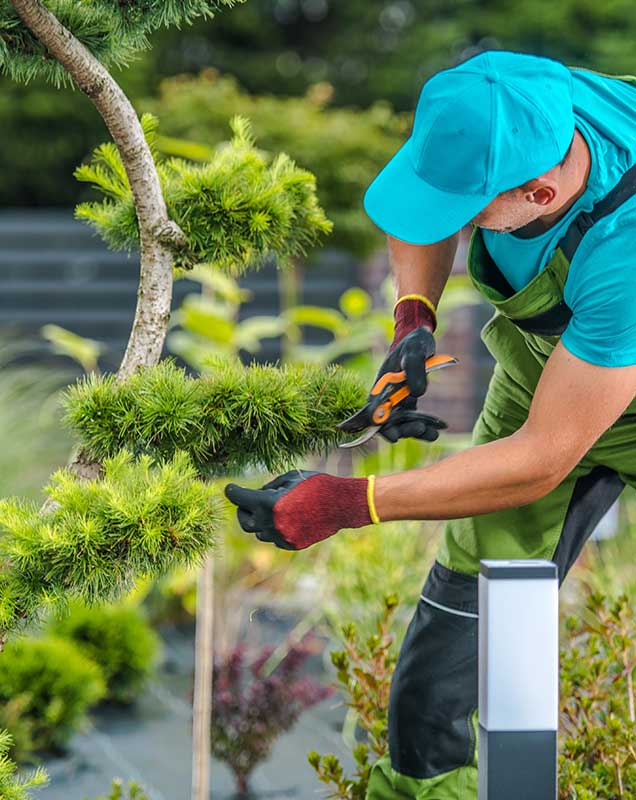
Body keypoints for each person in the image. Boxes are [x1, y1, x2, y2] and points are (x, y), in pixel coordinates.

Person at [224, 50, 636, 799]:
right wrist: (414, 319)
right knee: (463, 612)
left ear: (540, 193)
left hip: (598, 369)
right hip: (557, 371)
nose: (454, 223)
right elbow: (428, 197)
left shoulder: (625, 251)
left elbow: (543, 457)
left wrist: (349, 503)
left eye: (470, 214)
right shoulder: (509, 102)